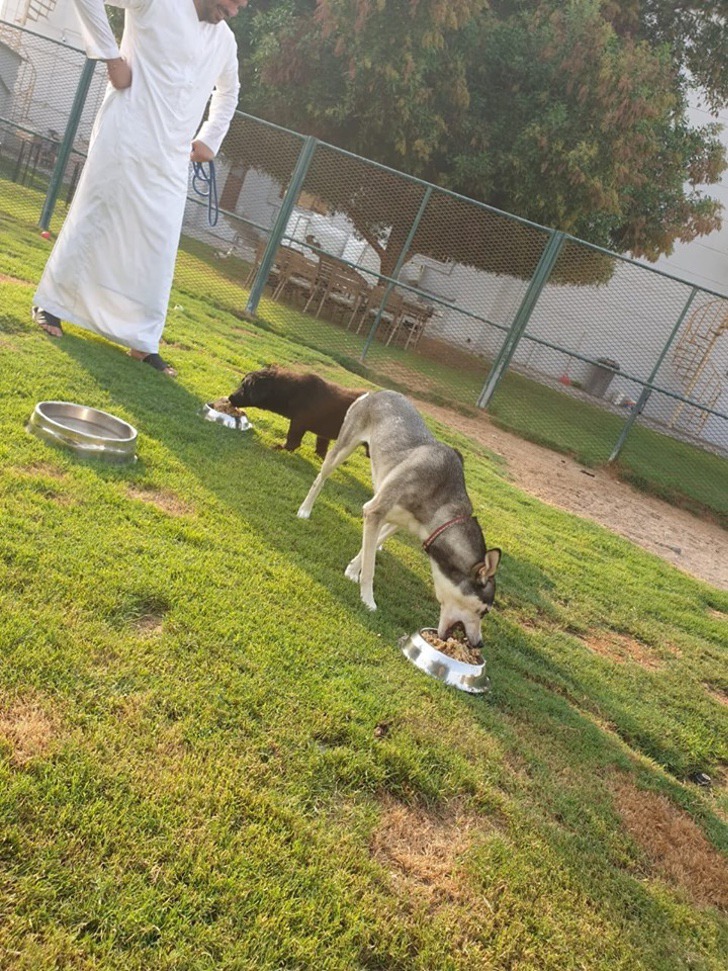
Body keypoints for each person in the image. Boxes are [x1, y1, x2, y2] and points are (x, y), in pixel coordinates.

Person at [32, 0, 247, 376]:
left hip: (171, 158)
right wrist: (111, 58)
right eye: (235, 2)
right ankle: (52, 304)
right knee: (93, 217)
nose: (236, 11)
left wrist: (210, 137)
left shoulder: (225, 41)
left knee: (157, 247)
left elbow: (229, 91)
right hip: (125, 134)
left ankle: (143, 341)